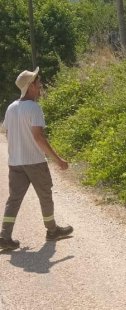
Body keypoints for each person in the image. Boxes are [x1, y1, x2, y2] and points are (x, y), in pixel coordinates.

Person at [0, 67, 73, 250]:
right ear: (31, 86)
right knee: (45, 195)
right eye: (38, 82)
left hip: (15, 162)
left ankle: (4, 236)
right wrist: (58, 160)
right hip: (35, 162)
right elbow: (39, 137)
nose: (40, 86)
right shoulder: (34, 108)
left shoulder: (11, 108)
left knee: (14, 199)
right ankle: (52, 230)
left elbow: (8, 134)